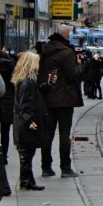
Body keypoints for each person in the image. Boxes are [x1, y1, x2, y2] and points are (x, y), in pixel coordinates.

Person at [38, 24, 84, 178]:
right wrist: (79, 64)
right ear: (66, 35)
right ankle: (65, 167)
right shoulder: (67, 53)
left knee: (47, 134)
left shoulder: (44, 50)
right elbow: (72, 75)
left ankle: (45, 167)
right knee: (64, 134)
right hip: (64, 100)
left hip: (47, 98)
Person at [12, 52, 53, 190]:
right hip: (25, 124)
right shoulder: (26, 83)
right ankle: (26, 180)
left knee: (27, 153)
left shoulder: (27, 81)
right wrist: (29, 120)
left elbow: (35, 96)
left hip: (24, 123)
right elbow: (24, 105)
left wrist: (48, 85)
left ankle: (27, 180)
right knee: (26, 153)